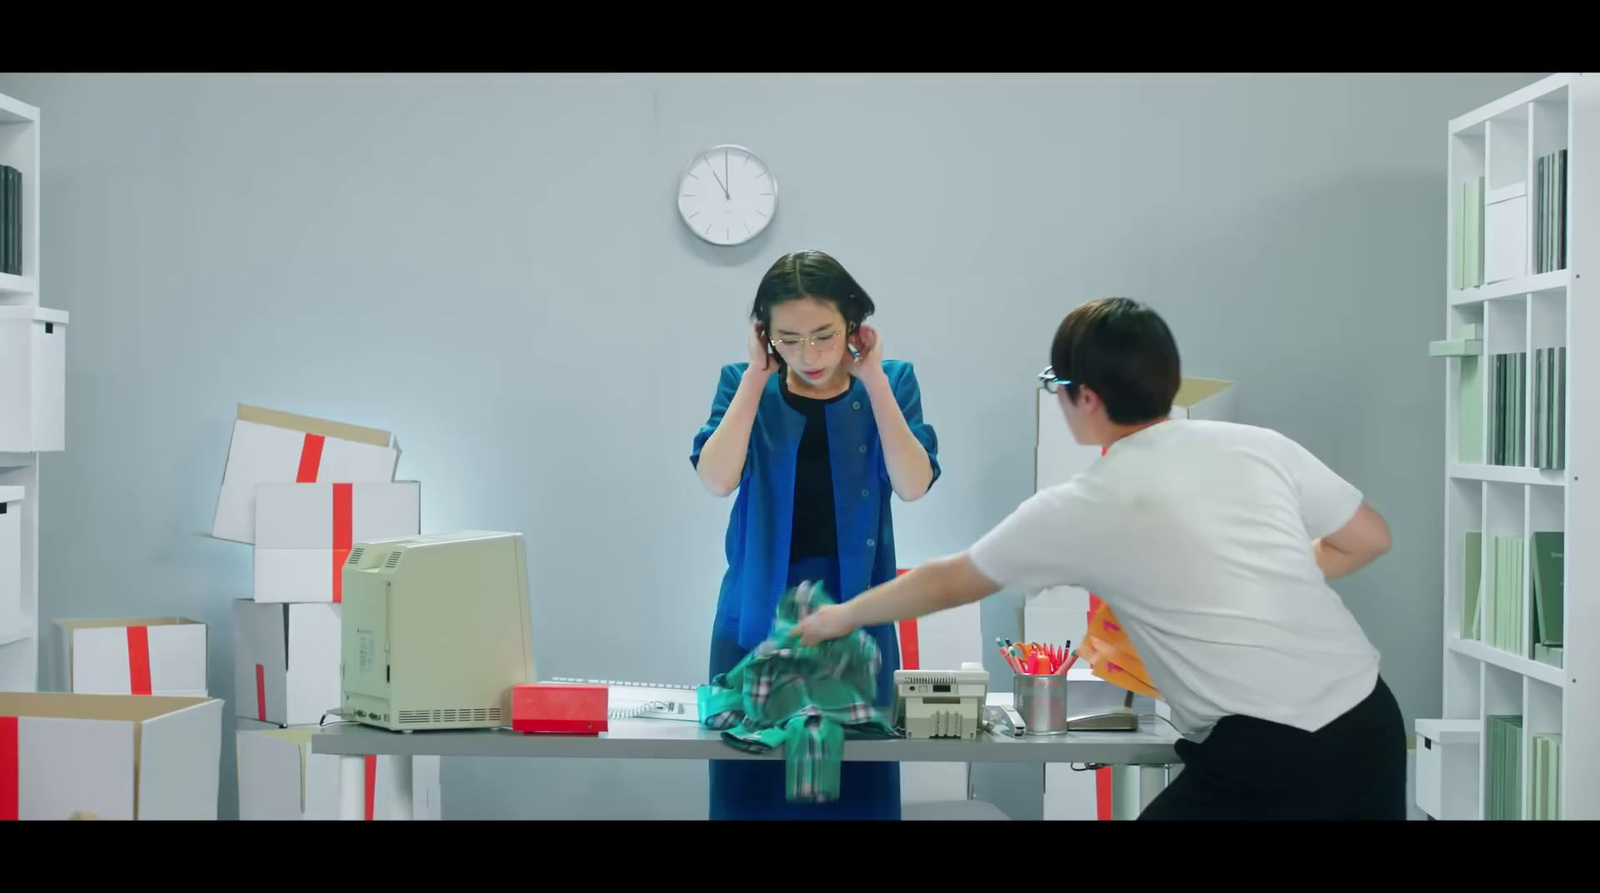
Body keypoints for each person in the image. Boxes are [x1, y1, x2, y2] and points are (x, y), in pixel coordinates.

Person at [795, 296, 1405, 821]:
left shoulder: (1089, 503)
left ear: (1085, 397)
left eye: (1057, 388)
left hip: (1271, 746)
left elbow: (952, 579)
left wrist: (838, 617)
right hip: (1368, 720)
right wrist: (1270, 577)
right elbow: (1370, 538)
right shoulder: (1259, 446)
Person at [691, 249, 940, 821]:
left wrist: (873, 378)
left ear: (854, 325)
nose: (809, 355)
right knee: (752, 789)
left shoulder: (892, 381)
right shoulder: (743, 383)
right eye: (789, 339)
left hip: (855, 615)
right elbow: (715, 478)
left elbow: (914, 483)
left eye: (825, 335)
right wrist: (756, 376)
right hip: (759, 615)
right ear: (764, 335)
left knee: (852, 792)